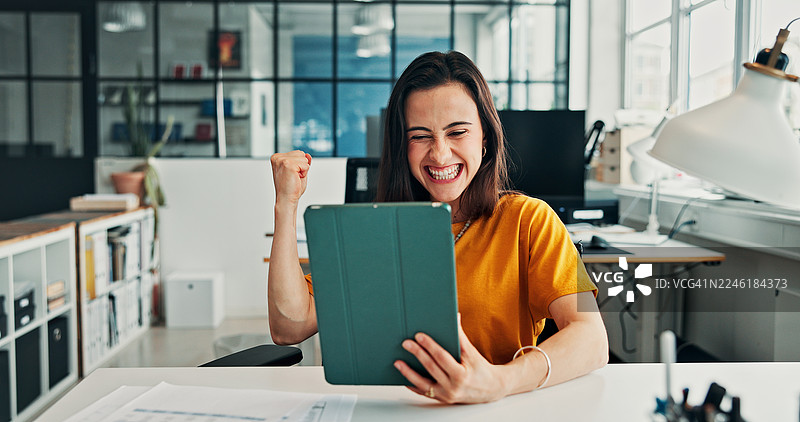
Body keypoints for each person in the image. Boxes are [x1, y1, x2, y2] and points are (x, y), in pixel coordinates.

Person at [268, 51, 608, 404]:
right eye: (420, 136)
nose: (441, 155)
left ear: (485, 137)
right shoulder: (374, 228)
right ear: (403, 146)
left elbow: (592, 338)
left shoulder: (529, 220)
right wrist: (285, 204)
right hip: (388, 410)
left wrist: (501, 381)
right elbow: (289, 327)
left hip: (493, 410)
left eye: (457, 131)